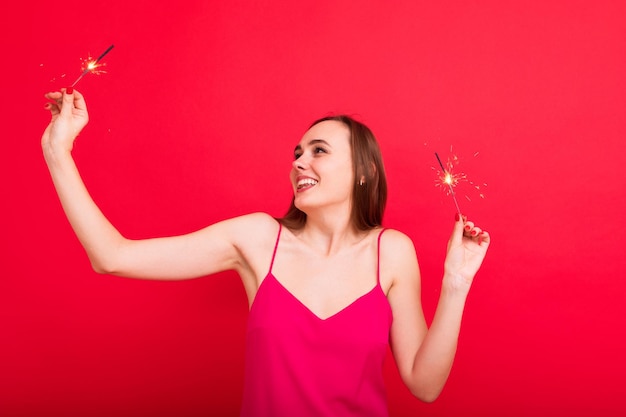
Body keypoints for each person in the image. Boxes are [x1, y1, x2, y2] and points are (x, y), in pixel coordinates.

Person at [42, 88, 491, 417]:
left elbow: (425, 385)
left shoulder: (391, 252)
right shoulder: (258, 239)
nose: (299, 162)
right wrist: (57, 151)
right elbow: (112, 255)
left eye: (319, 151)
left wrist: (456, 283)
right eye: (297, 153)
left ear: (363, 171)